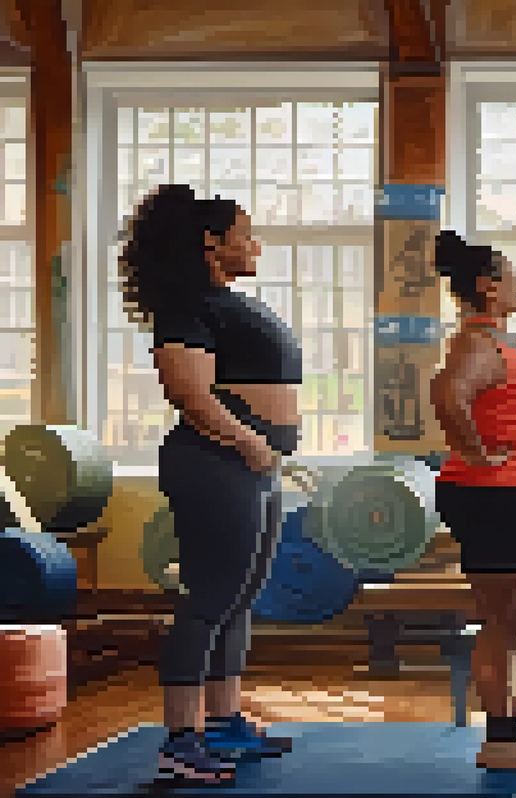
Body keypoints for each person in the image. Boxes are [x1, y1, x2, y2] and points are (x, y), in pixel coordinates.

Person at [125, 184, 298, 785]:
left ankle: (223, 723)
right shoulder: (186, 306)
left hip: (251, 464)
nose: (255, 244)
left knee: (240, 600)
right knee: (208, 600)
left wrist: (266, 449)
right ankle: (179, 740)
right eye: (245, 233)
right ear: (210, 241)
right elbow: (189, 393)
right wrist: (250, 441)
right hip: (214, 461)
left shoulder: (223, 301)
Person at [430, 230, 516, 772]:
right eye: (511, 278)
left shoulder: (506, 342)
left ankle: (512, 723)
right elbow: (448, 393)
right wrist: (477, 452)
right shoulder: (476, 342)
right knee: (503, 619)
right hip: (497, 492)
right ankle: (499, 738)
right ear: (488, 288)